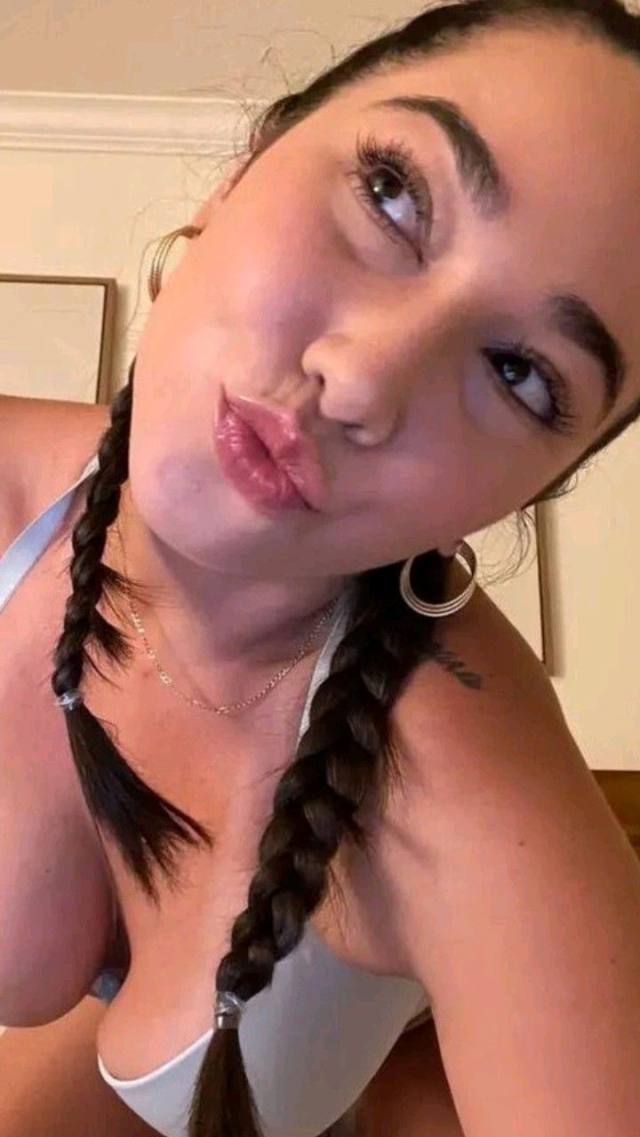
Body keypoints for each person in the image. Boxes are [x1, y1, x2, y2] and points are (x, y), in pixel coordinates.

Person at [2, 1, 640, 1134]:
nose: (360, 378)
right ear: (240, 172)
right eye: (392, 193)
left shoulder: (477, 795)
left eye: (519, 372)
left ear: (527, 492)